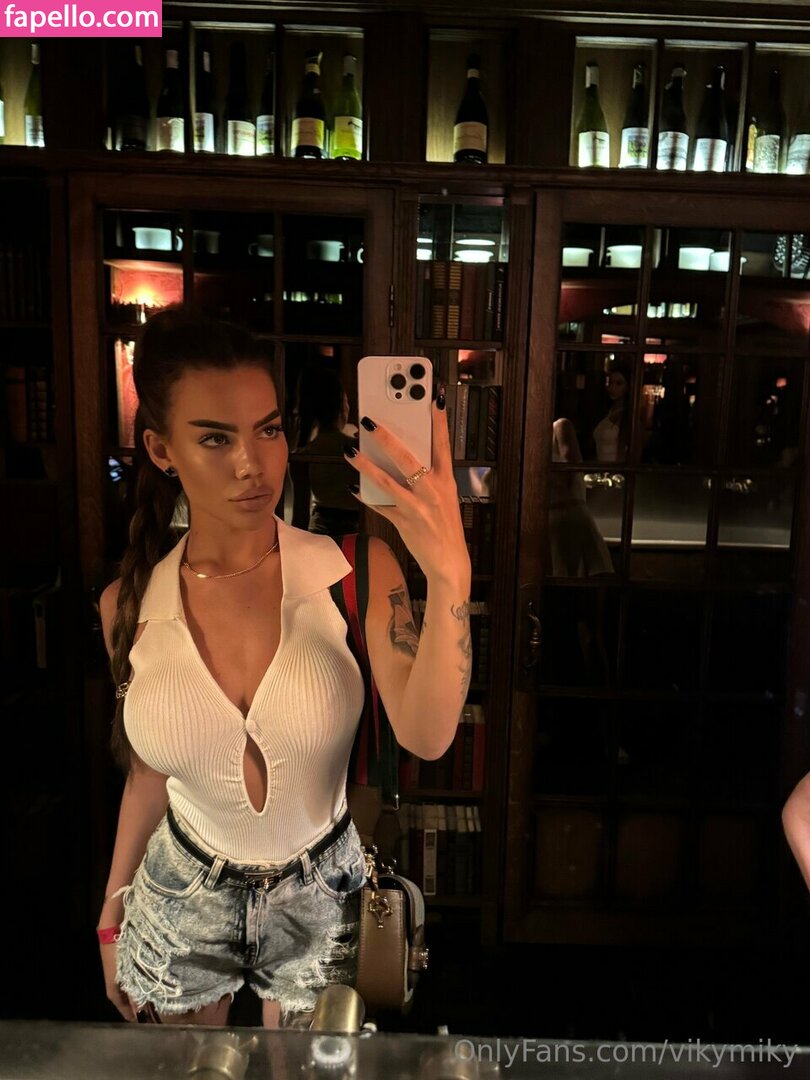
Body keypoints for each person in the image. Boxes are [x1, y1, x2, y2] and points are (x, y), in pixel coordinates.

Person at [96, 308, 472, 1028]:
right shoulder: (127, 602)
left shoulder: (354, 573)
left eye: (268, 430)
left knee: (312, 1069)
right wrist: (114, 909)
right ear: (161, 449)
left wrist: (451, 572)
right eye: (215, 438)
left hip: (321, 888)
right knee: (182, 1075)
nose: (252, 463)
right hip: (179, 890)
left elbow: (427, 737)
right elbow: (148, 773)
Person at [289, 366, 361, 538]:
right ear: (341, 404)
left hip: (320, 530)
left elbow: (300, 516)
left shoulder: (303, 454)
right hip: (358, 528)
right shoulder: (357, 448)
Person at [592, 362, 632, 463]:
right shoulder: (606, 411)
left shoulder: (628, 416)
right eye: (610, 383)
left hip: (614, 469)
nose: (612, 388)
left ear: (628, 386)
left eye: (619, 383)